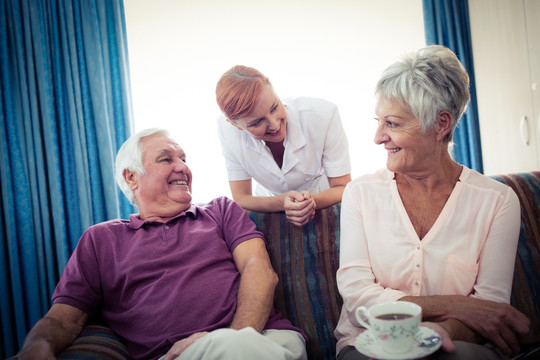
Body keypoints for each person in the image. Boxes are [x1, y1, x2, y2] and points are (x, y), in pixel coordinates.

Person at [14, 128, 307, 360]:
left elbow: (260, 271)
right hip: (175, 356)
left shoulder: (220, 211)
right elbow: (64, 319)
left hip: (263, 338)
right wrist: (37, 346)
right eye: (167, 159)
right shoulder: (99, 240)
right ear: (131, 177)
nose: (182, 167)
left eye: (184, 158)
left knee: (233, 350)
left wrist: (233, 336)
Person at [335, 45, 531, 360]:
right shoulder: (361, 193)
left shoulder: (497, 201)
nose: (378, 137)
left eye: (393, 124)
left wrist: (444, 330)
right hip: (367, 344)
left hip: (457, 343)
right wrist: (457, 305)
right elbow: (358, 298)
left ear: (440, 124)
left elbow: (490, 309)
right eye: (379, 121)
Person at [215, 65, 352, 226]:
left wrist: (309, 202)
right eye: (257, 122)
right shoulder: (228, 132)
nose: (274, 125)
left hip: (323, 199)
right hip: (268, 206)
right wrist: (281, 202)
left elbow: (343, 186)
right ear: (236, 125)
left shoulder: (323, 115)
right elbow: (241, 198)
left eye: (274, 107)